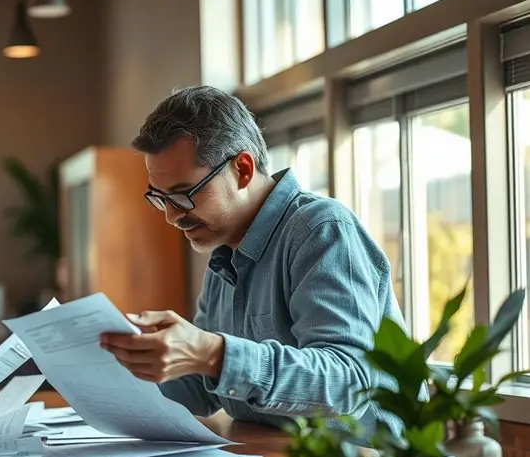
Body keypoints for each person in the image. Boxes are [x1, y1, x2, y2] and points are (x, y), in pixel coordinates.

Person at [99, 85, 406, 434]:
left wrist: (212, 353)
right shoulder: (224, 255)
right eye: (160, 199)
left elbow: (348, 382)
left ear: (242, 170)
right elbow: (204, 386)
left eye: (183, 195)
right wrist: (125, 367)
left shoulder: (320, 231)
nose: (171, 216)